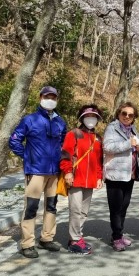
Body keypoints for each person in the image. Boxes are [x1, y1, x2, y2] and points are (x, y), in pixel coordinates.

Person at [9, 86, 67, 258]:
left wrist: (62, 160)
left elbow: (65, 144)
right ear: (41, 97)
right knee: (31, 207)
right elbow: (14, 140)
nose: (50, 99)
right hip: (35, 171)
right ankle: (27, 243)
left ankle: (46, 238)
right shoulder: (30, 120)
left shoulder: (60, 122)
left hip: (53, 172)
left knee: (51, 206)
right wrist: (27, 156)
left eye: (53, 97)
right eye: (47, 96)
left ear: (56, 100)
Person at [60, 104, 104, 255]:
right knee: (75, 210)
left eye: (93, 116)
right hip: (76, 179)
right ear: (81, 118)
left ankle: (78, 236)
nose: (90, 119)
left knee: (84, 211)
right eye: (87, 116)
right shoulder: (74, 134)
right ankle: (74, 240)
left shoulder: (98, 138)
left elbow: (99, 160)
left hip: (90, 180)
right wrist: (67, 173)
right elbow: (66, 155)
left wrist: (99, 177)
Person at [103, 101, 139, 252]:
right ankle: (116, 237)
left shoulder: (132, 129)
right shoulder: (111, 128)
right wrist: (128, 143)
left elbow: (134, 148)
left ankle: (118, 234)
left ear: (134, 117)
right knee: (116, 208)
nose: (127, 117)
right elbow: (107, 147)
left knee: (124, 207)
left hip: (129, 174)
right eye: (124, 113)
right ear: (118, 114)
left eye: (131, 115)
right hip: (115, 174)